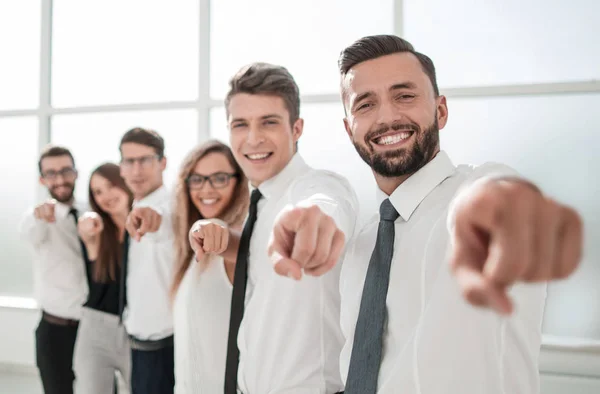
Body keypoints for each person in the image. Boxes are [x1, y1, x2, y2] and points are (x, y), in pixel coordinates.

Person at [271, 34, 584, 393]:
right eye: (365, 105)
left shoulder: (474, 193)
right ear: (349, 128)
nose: (387, 117)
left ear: (441, 110)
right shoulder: (360, 250)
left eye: (404, 96)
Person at [190, 63, 358, 394]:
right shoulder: (262, 202)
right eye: (241, 124)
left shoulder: (320, 187)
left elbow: (323, 208)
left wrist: (312, 222)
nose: (253, 138)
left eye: (269, 122)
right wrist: (226, 239)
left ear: (296, 128)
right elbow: (262, 251)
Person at [172, 140, 249, 393]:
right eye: (197, 179)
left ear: (238, 181)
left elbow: (226, 237)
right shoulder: (190, 255)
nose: (207, 189)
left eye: (219, 178)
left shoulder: (235, 245)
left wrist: (215, 229)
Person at [19, 145, 88, 394]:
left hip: (92, 328)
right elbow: (31, 236)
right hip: (54, 330)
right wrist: (40, 218)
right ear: (42, 179)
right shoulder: (36, 217)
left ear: (76, 173)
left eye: (65, 171)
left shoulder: (91, 210)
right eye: (51, 173)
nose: (59, 179)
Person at [119, 127, 175, 394]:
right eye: (129, 161)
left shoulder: (170, 206)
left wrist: (152, 221)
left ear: (163, 163)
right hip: (137, 342)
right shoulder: (131, 206)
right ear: (121, 168)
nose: (137, 169)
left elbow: (161, 222)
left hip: (164, 346)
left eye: (145, 160)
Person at [74, 163, 133, 394]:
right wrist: (87, 222)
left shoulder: (146, 225)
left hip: (137, 329)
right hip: (96, 327)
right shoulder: (97, 230)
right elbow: (86, 227)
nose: (105, 196)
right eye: (97, 192)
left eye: (110, 186)